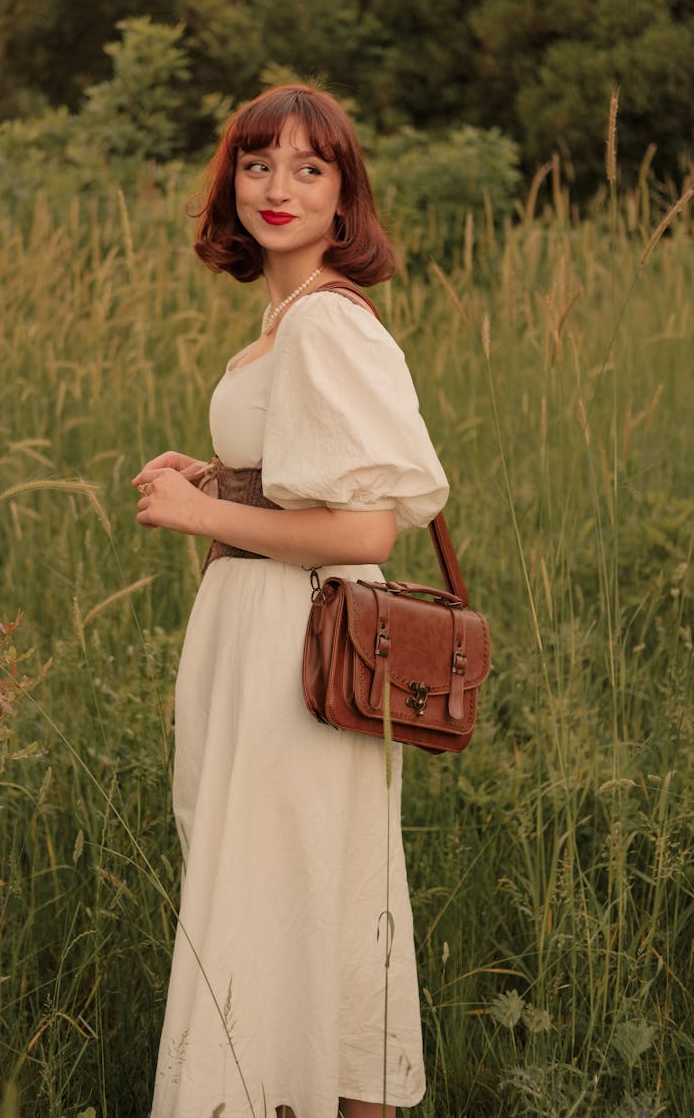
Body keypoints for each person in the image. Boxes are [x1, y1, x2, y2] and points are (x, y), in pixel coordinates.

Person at [133, 84, 449, 1118]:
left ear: (343, 196)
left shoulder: (324, 322)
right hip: (266, 640)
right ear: (231, 180)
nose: (278, 187)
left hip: (298, 650)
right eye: (259, 162)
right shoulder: (282, 319)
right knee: (303, 902)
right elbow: (309, 482)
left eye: (309, 168)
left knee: (298, 895)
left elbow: (365, 531)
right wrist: (219, 480)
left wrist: (195, 517)